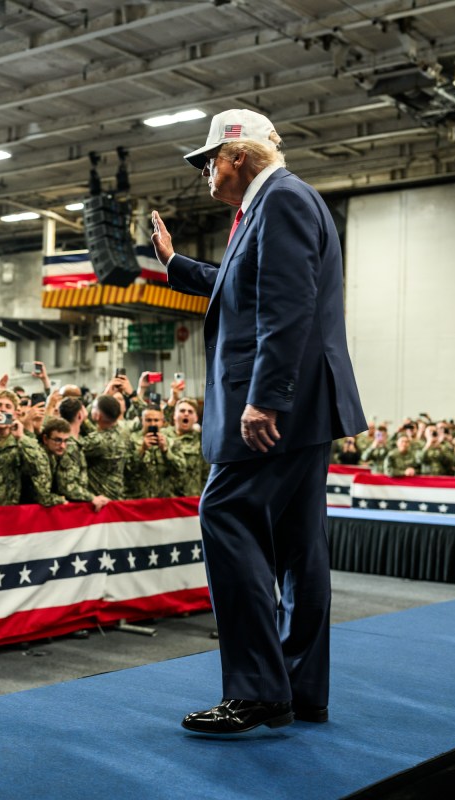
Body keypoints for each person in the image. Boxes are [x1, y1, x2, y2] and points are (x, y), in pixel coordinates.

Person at [150, 108, 365, 734]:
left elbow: (287, 304)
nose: (205, 174)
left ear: (236, 157)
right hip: (305, 408)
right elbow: (247, 286)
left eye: (209, 160)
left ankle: (257, 691)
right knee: (299, 546)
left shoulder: (280, 202)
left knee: (225, 514)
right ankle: (300, 689)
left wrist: (265, 397)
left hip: (279, 408)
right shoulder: (281, 203)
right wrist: (175, 263)